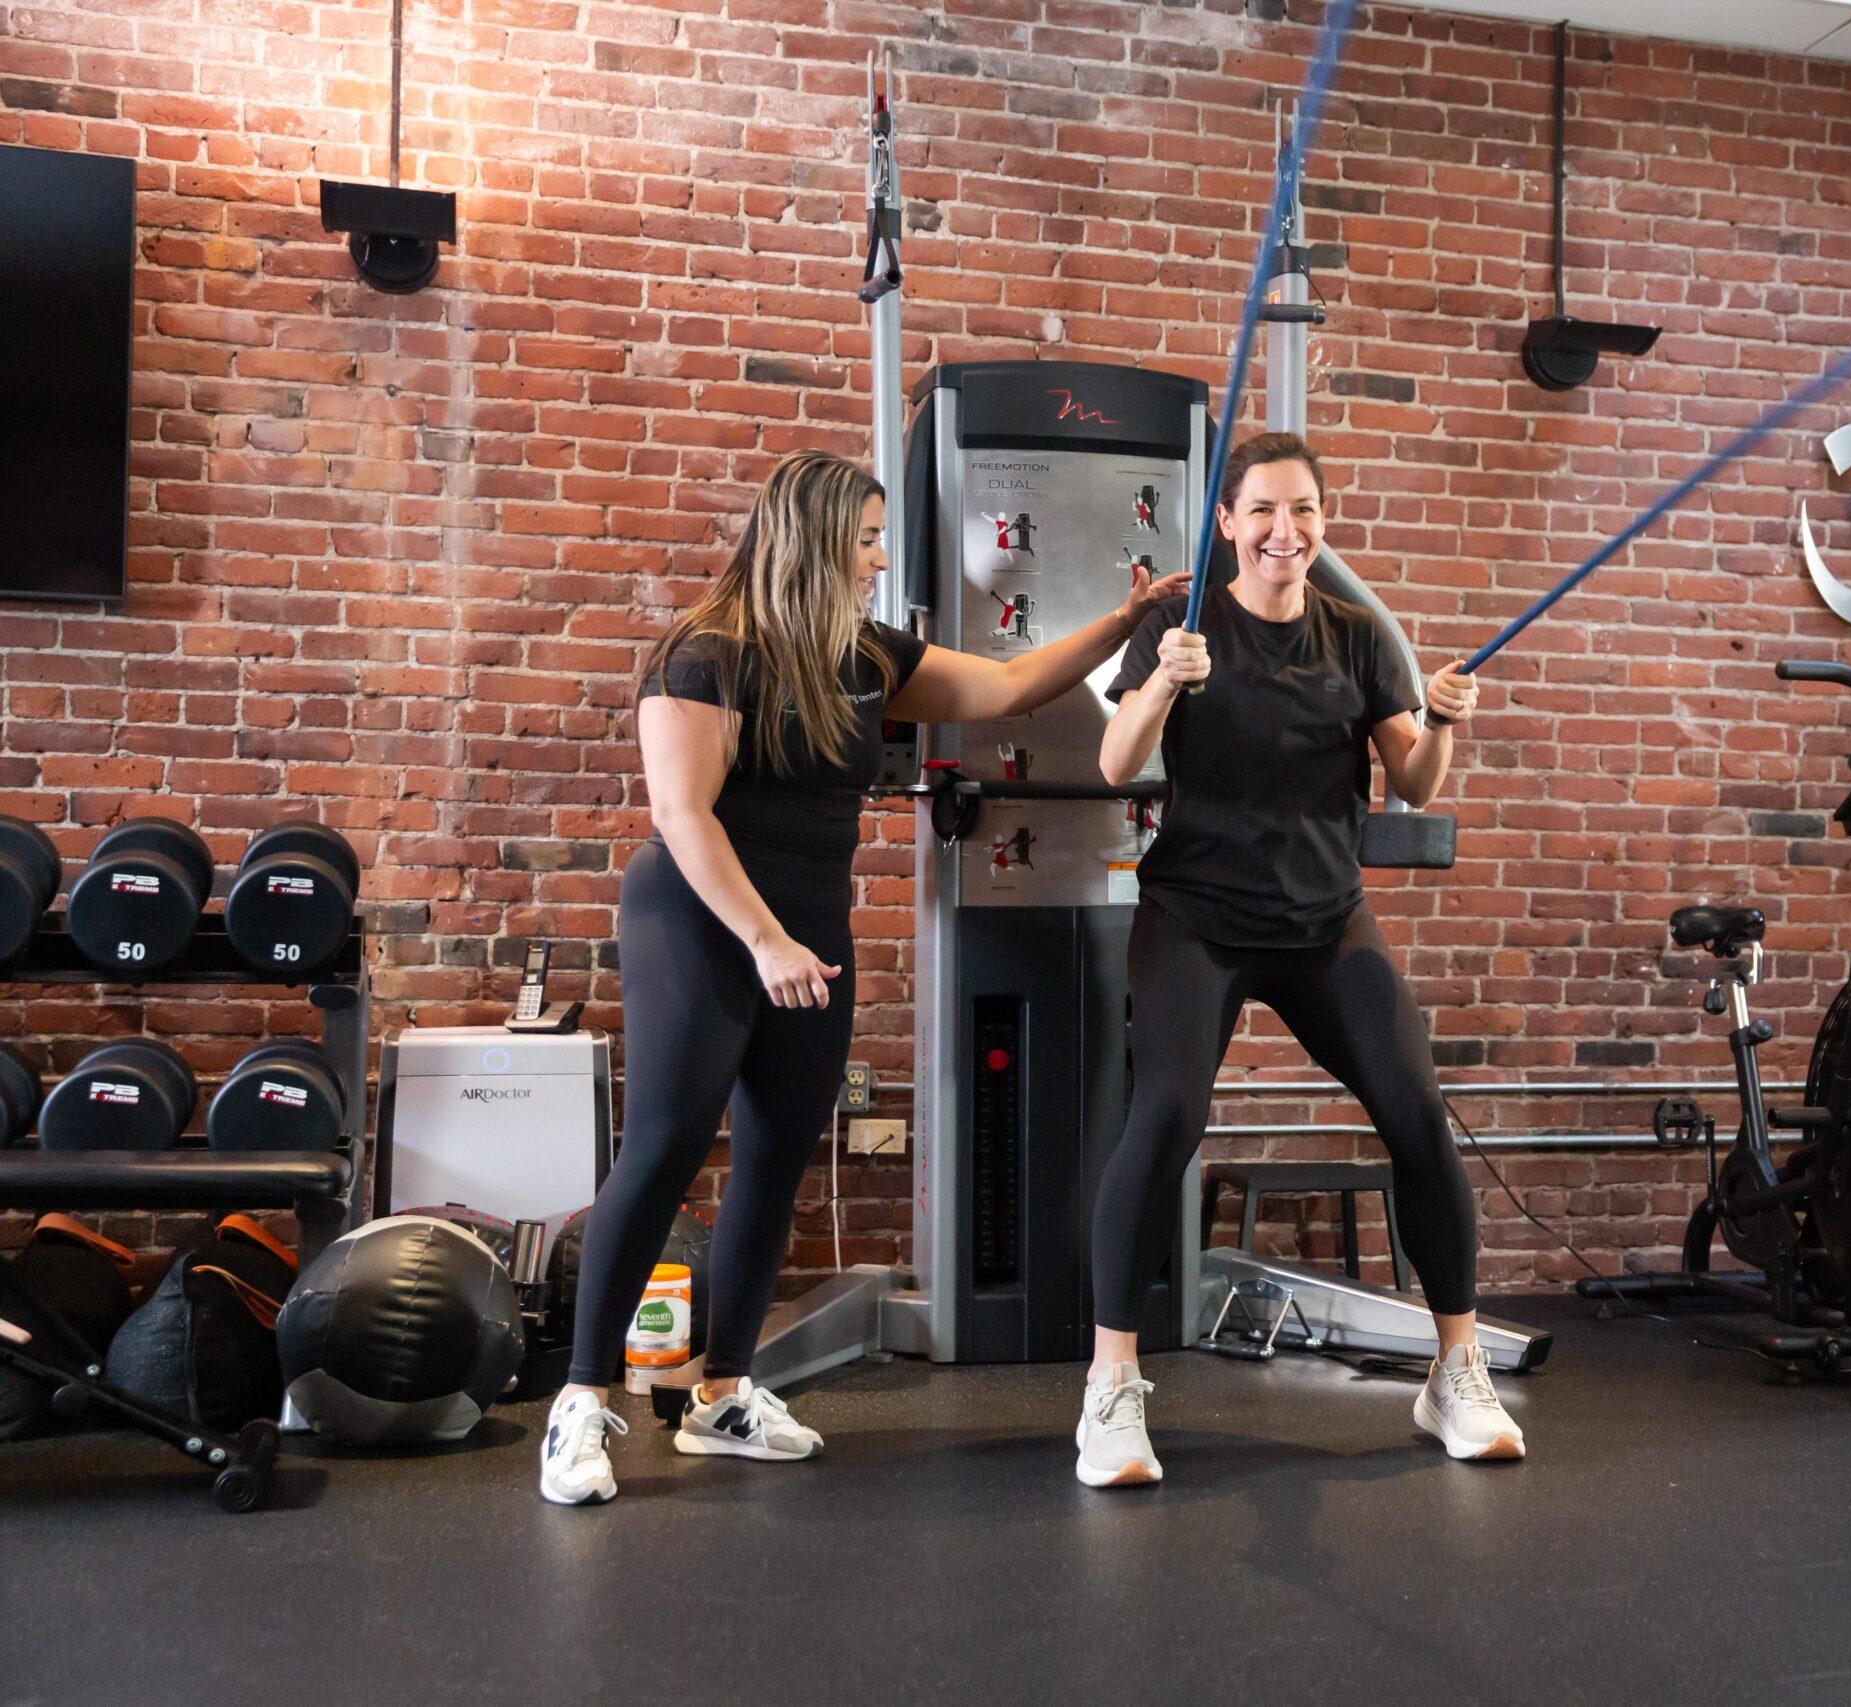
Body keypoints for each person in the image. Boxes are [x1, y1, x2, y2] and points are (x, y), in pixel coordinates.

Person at [542, 449, 1190, 1506]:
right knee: (661, 1150)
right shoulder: (704, 656)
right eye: (866, 540)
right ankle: (579, 1401)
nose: (881, 557)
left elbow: (1010, 687)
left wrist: (1125, 625)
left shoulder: (863, 657)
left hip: (808, 923)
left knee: (777, 1155)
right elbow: (681, 816)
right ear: (810, 544)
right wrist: (762, 943)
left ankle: (724, 1393)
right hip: (702, 918)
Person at [1075, 431, 1524, 1488]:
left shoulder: (1358, 636)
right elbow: (1111, 763)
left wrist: (1443, 722)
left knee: (1416, 1111)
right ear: (1227, 523)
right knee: (1170, 1114)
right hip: (1196, 916)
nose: (1287, 531)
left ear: (1324, 523)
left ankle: (1453, 1371)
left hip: (1325, 920)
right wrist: (1157, 688)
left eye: (1306, 511)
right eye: (1265, 511)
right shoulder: (1179, 627)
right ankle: (1109, 1389)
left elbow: (1411, 782)